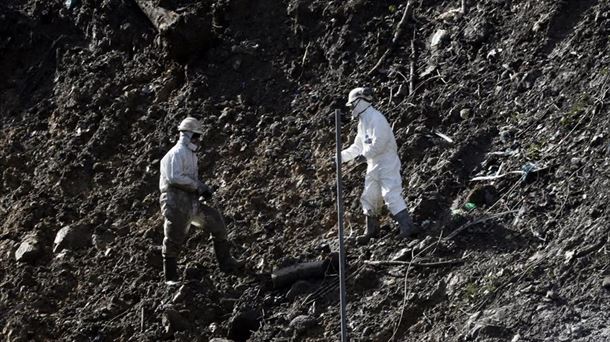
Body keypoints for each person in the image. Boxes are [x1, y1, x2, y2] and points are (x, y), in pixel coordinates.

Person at [160, 117, 243, 284]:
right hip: (175, 199)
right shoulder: (176, 153)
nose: (198, 140)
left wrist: (202, 188)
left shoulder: (191, 155)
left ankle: (226, 264)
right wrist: (197, 186)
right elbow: (175, 178)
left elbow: (190, 179)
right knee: (174, 235)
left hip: (190, 200)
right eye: (196, 136)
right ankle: (170, 277)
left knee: (216, 223)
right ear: (188, 135)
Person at [339, 87, 417, 243]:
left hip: (386, 162)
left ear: (360, 102)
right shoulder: (363, 123)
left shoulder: (377, 118)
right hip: (373, 163)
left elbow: (379, 143)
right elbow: (357, 146)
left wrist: (364, 155)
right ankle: (372, 231)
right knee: (370, 197)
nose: (352, 109)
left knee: (391, 194)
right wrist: (339, 157)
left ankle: (408, 227)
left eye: (352, 104)